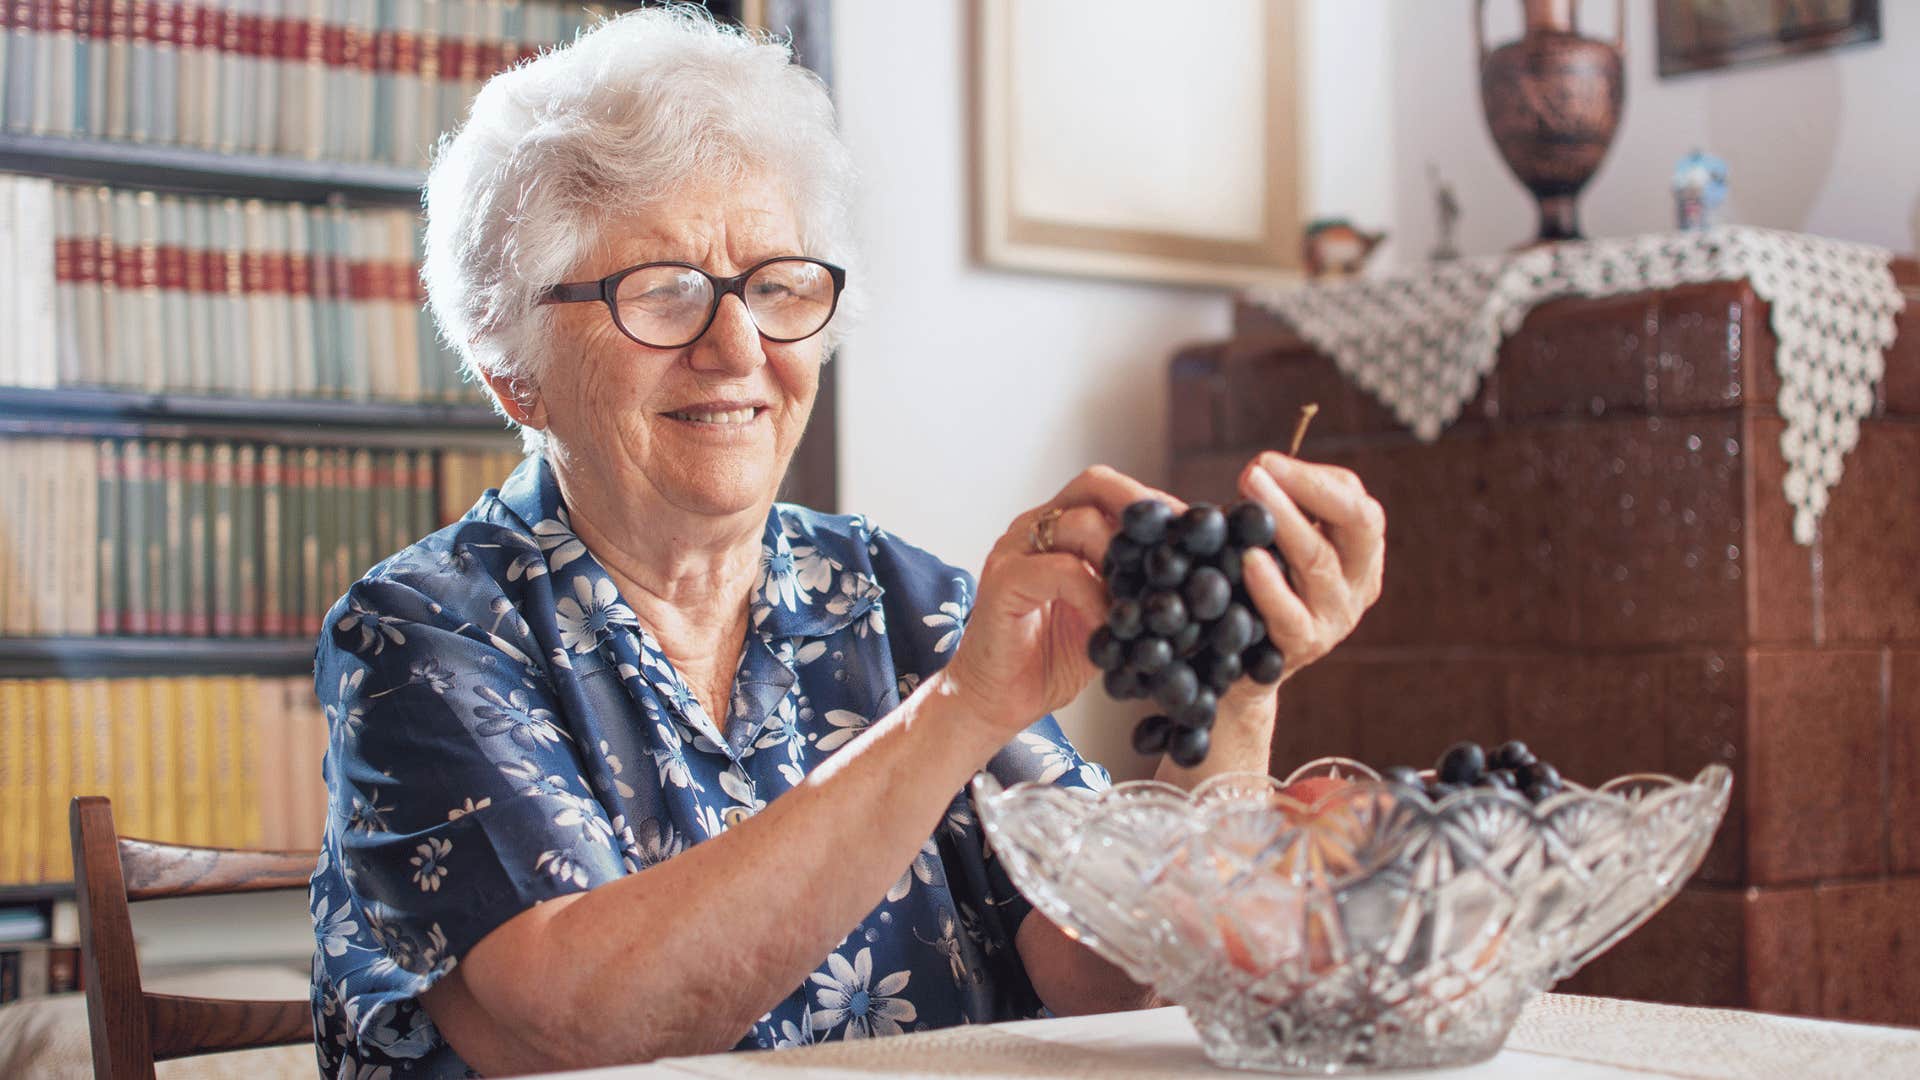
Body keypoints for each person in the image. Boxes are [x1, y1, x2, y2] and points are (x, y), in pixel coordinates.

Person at [308, 8, 1386, 1077]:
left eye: (776, 287)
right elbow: (574, 1028)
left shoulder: (904, 597)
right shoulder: (423, 634)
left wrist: (1241, 685)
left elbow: (1120, 975)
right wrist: (959, 712)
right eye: (664, 293)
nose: (737, 347)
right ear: (514, 369)